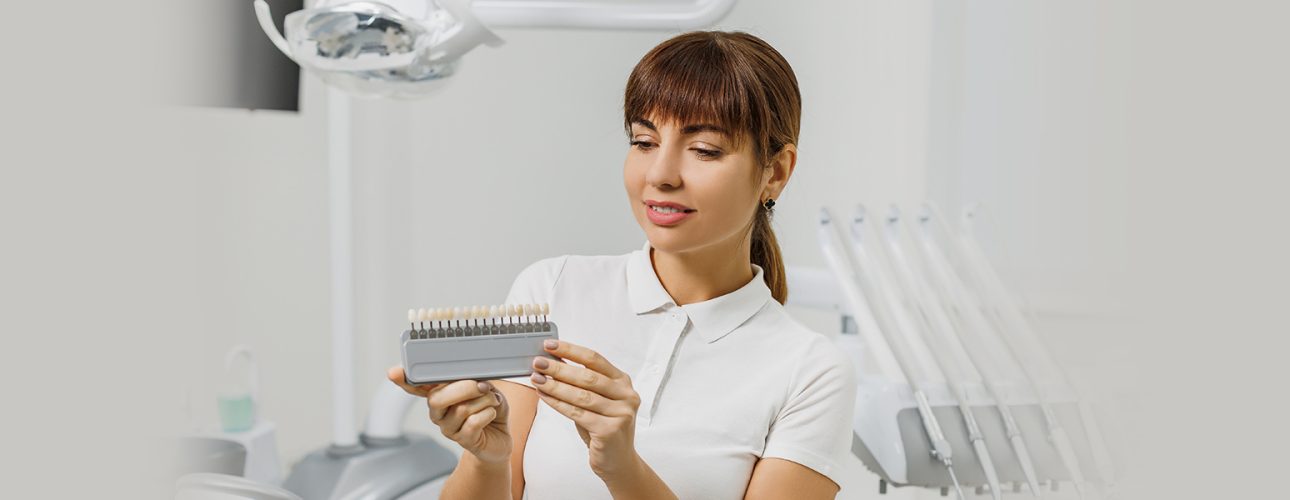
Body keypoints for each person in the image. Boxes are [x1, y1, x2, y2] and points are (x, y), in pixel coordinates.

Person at [389, 30, 857, 500]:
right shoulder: (554, 286)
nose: (659, 175)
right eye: (644, 141)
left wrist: (623, 468)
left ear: (775, 172)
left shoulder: (811, 373)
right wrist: (485, 458)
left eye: (705, 150)